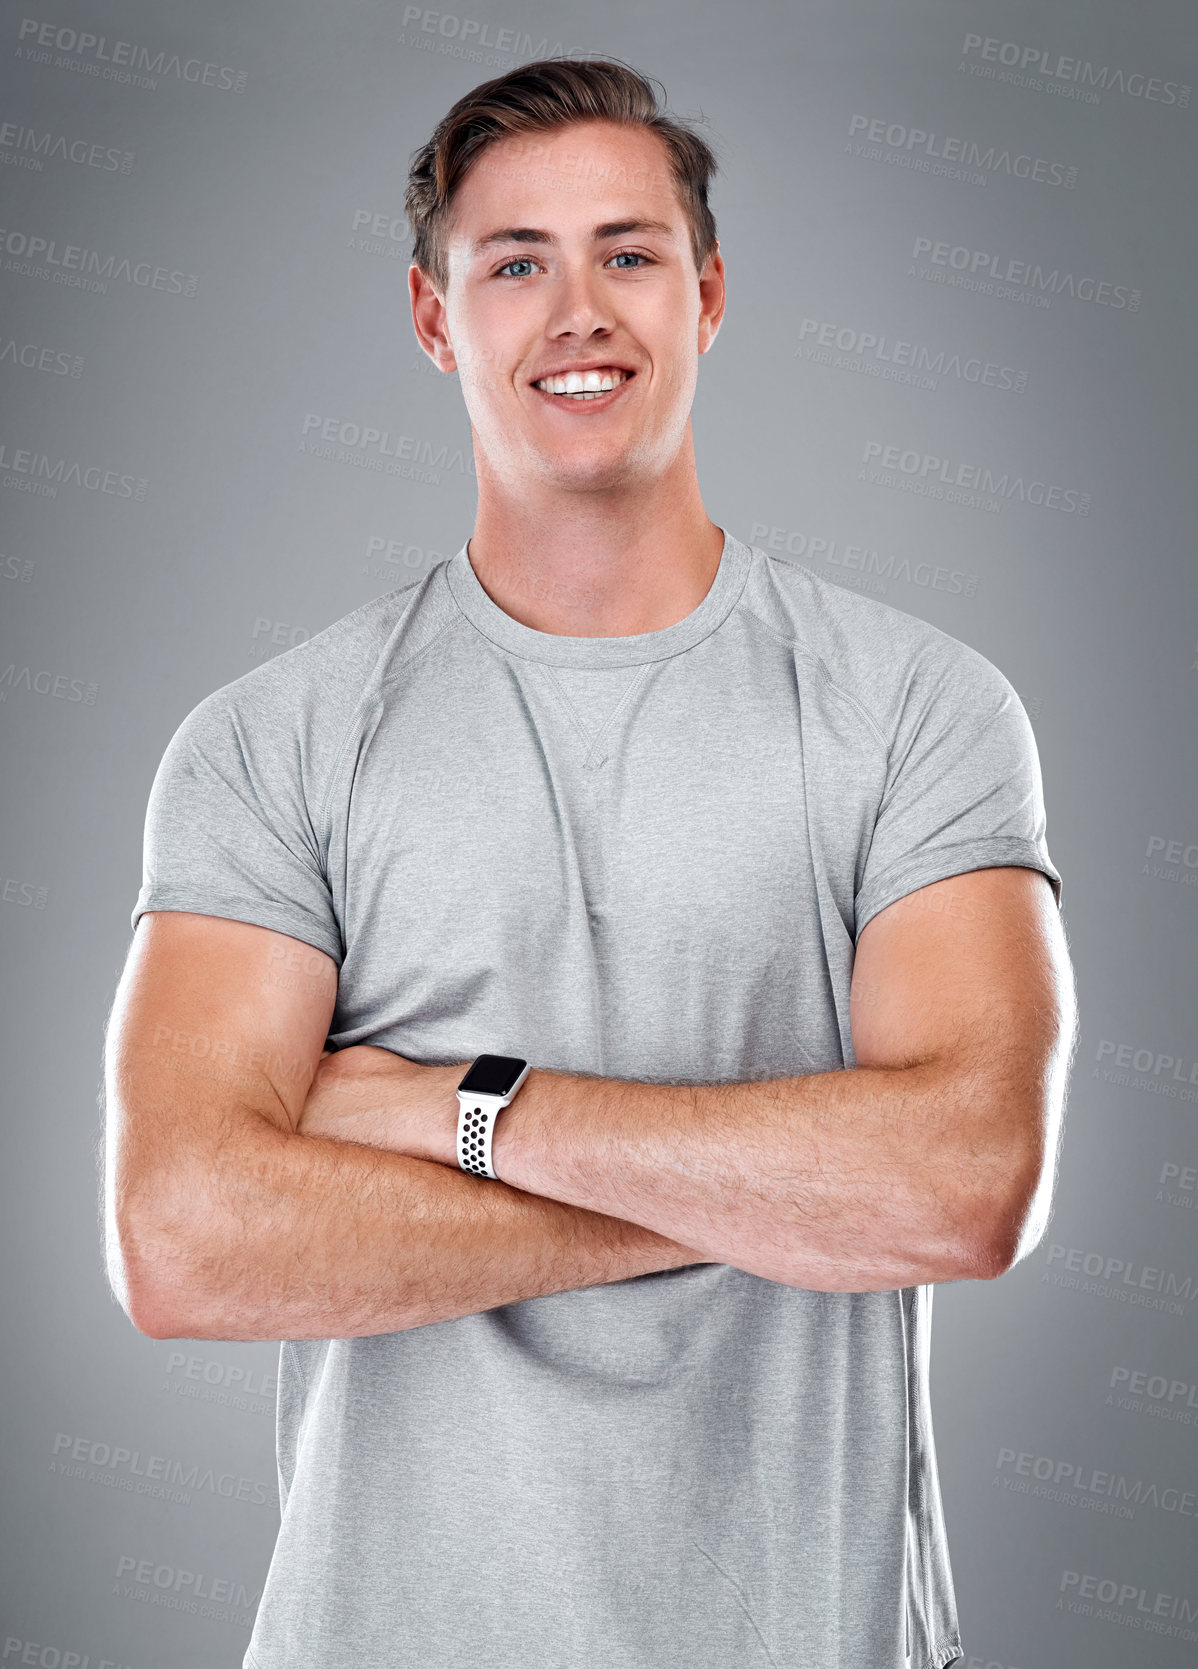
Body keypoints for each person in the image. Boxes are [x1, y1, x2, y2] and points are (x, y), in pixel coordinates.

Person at [103, 55, 1076, 1669]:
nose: (579, 311)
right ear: (433, 320)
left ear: (706, 298)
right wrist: (763, 1200)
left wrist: (442, 1108)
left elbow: (967, 1184)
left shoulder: (917, 708)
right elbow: (185, 1238)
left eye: (627, 254)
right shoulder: (273, 738)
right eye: (514, 263)